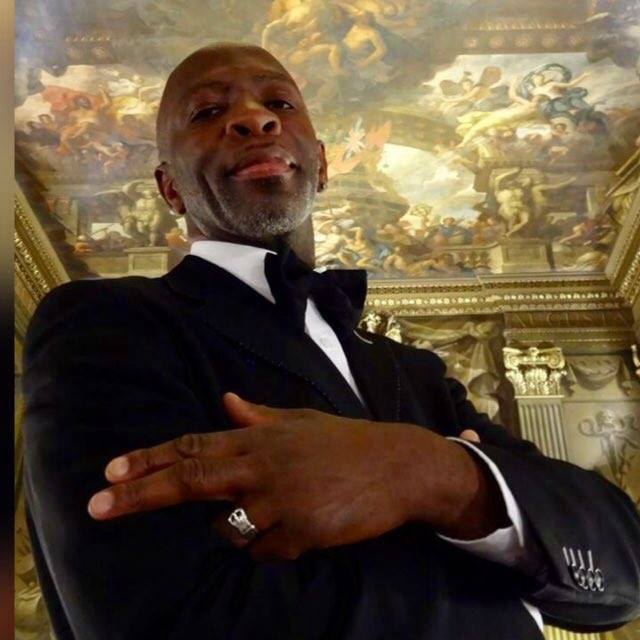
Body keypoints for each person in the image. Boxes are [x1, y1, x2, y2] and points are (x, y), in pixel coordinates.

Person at [21, 43, 640, 640]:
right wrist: (503, 591)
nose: (254, 118)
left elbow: (622, 570)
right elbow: (158, 616)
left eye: (279, 103)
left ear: (321, 163)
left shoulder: (415, 373)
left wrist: (432, 471)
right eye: (208, 111)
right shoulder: (106, 323)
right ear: (170, 189)